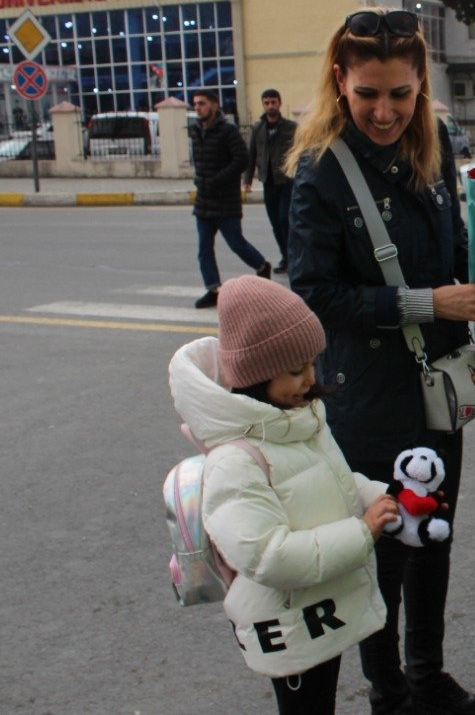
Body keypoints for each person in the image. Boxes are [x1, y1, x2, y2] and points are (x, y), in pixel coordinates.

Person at [284, 7, 475, 715]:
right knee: (384, 543)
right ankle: (390, 692)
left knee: (433, 531)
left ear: (422, 87)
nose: (384, 111)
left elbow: (450, 254)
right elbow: (314, 295)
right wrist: (429, 304)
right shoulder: (319, 170)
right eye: (368, 93)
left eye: (400, 94)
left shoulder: (434, 144)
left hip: (437, 390)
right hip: (369, 395)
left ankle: (427, 674)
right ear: (339, 82)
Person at [168, 275, 400, 712]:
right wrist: (362, 533)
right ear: (256, 376)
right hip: (289, 623)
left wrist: (385, 498)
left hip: (318, 608)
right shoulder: (235, 462)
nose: (311, 379)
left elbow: (333, 482)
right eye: (296, 371)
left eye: (313, 363)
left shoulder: (297, 419)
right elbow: (269, 555)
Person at [190, 88, 273, 309]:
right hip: (204, 201)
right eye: (195, 104)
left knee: (236, 243)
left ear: (214, 105)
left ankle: (262, 266)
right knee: (204, 248)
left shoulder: (228, 130)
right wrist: (200, 179)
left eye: (202, 103)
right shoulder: (196, 130)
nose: (197, 107)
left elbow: (242, 160)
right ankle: (212, 289)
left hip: (225, 201)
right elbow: (199, 161)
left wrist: (217, 180)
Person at [244, 88, 299, 274]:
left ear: (280, 103)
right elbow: (252, 154)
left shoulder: (291, 127)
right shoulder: (258, 128)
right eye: (266, 103)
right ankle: (286, 257)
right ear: (263, 104)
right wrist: (247, 179)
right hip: (268, 181)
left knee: (285, 220)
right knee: (275, 223)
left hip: (286, 180)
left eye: (273, 102)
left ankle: (294, 258)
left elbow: (299, 151)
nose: (270, 106)